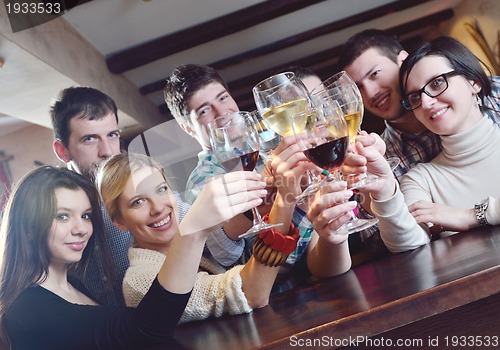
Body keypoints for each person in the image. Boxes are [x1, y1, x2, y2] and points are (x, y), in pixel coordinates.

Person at [0, 165, 257, 349]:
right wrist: (192, 232)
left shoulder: (72, 286)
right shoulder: (26, 307)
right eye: (63, 216)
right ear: (28, 227)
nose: (80, 228)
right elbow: (144, 330)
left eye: (86, 215)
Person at [96, 152, 350, 321]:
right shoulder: (139, 283)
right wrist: (284, 200)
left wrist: (266, 196)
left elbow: (229, 234)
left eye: (162, 190)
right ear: (119, 221)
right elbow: (250, 294)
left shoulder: (196, 244)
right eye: (138, 201)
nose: (158, 207)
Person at [165, 64, 345, 293]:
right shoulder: (202, 183)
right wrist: (273, 193)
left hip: (320, 282)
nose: (223, 113)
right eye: (204, 111)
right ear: (187, 128)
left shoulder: (269, 145)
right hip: (271, 301)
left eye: (223, 98)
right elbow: (230, 261)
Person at [336, 29, 500, 254]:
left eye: (437, 83)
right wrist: (382, 190)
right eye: (415, 97)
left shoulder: (495, 93)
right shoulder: (414, 174)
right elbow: (403, 245)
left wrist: (471, 216)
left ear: (474, 82)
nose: (427, 102)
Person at [50, 86, 131, 305]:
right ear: (62, 150)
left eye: (112, 135)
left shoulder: (141, 189)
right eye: (89, 139)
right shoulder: (49, 213)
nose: (107, 151)